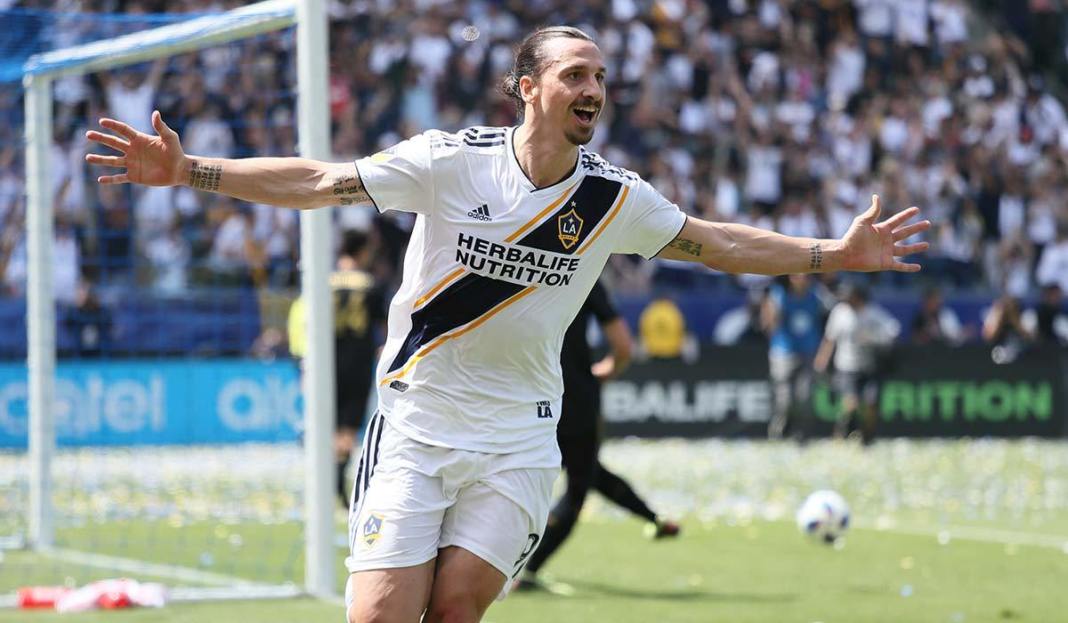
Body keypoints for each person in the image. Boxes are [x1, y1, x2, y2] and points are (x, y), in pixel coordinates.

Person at [85, 26, 929, 623]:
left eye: (599, 78)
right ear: (528, 87)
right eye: (574, 74)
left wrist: (831, 253)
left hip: (522, 440)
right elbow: (318, 181)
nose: (592, 90)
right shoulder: (449, 161)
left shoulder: (613, 197)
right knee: (381, 615)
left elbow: (715, 243)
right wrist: (190, 170)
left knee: (455, 611)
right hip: (418, 423)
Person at [514, 281, 678, 593]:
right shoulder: (586, 271)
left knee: (582, 472)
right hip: (576, 399)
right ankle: (527, 569)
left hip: (526, 393)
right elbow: (623, 347)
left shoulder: (526, 267)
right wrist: (602, 373)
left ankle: (654, 518)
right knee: (580, 481)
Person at [288, 229, 386, 507]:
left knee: (325, 424)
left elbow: (305, 321)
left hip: (325, 361)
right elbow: (385, 326)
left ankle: (326, 485)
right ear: (363, 251)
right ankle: (338, 481)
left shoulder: (323, 281)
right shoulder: (372, 284)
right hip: (358, 362)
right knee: (347, 428)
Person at [813, 283, 901, 444]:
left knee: (871, 403)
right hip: (847, 366)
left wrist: (873, 338)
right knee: (850, 402)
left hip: (871, 366)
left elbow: (892, 331)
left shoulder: (873, 313)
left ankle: (867, 438)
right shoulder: (839, 313)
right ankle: (841, 434)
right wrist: (822, 359)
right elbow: (829, 339)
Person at [761, 274, 831, 440]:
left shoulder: (818, 294)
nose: (801, 280)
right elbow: (768, 323)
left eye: (805, 277)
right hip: (783, 353)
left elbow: (832, 315)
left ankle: (802, 436)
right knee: (784, 399)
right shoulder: (778, 294)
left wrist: (823, 352)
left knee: (805, 396)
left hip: (809, 352)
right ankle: (779, 430)